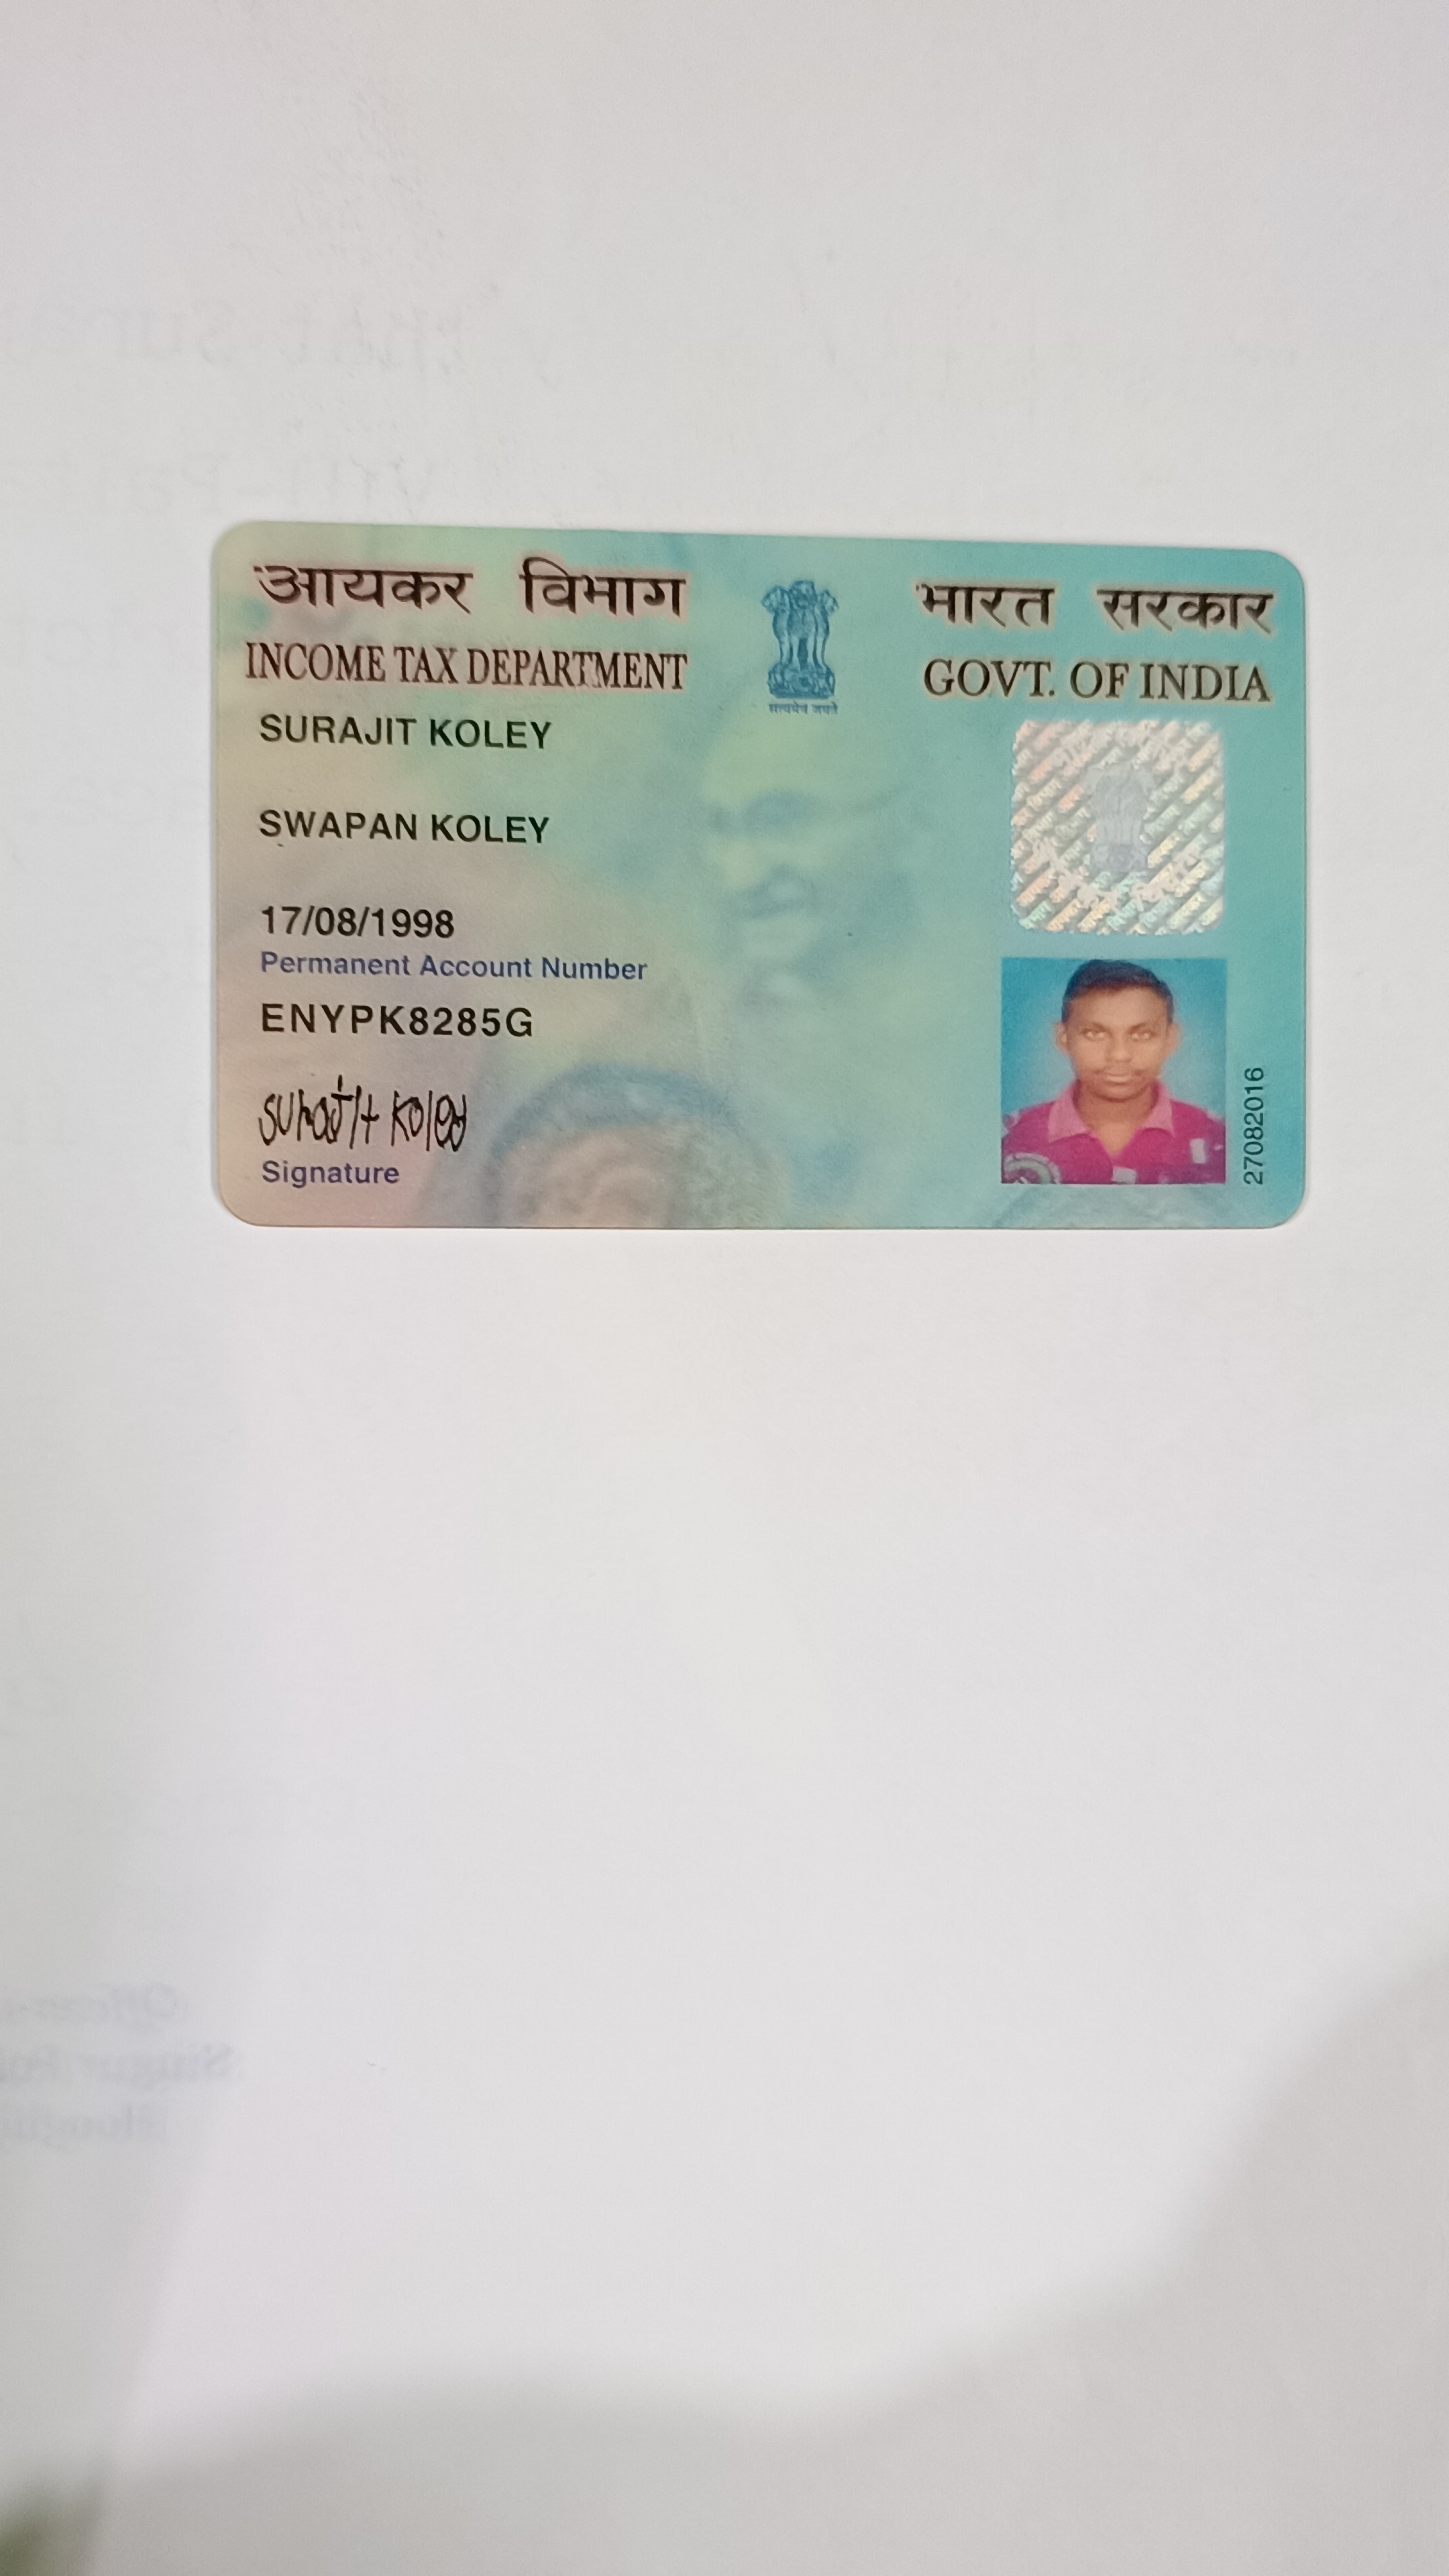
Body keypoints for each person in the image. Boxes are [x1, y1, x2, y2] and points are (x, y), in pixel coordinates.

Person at [1002, 960, 1225, 1185]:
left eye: (1143, 1035)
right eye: (1094, 1034)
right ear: (1063, 1038)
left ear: (1171, 1039)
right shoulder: (1007, 1138)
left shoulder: (1221, 1139)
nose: (1119, 1055)